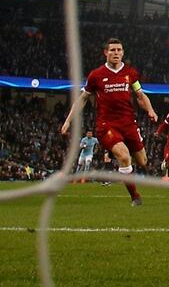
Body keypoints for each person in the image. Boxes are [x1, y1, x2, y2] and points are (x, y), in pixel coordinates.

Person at [61, 38, 158, 206]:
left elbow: (140, 95)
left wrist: (150, 110)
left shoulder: (130, 73)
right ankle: (135, 196)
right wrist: (69, 120)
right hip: (107, 125)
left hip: (129, 123)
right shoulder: (96, 75)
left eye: (119, 50)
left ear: (123, 53)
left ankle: (118, 155)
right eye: (112, 50)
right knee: (125, 157)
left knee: (142, 161)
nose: (116, 53)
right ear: (105, 53)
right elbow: (83, 98)